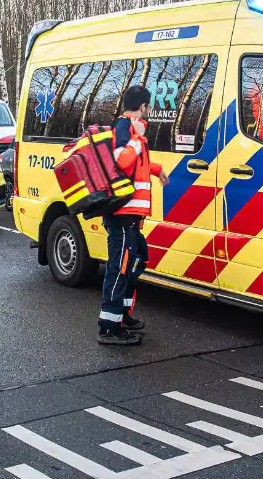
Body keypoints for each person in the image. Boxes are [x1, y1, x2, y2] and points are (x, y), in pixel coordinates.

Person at [98, 85, 169, 346]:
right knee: (119, 267)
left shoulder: (132, 128)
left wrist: (156, 169)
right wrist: (138, 140)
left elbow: (137, 164)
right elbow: (121, 160)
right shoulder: (125, 127)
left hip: (132, 215)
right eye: (148, 106)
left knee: (138, 259)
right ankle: (108, 328)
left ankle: (122, 315)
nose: (149, 110)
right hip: (122, 213)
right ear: (142, 106)